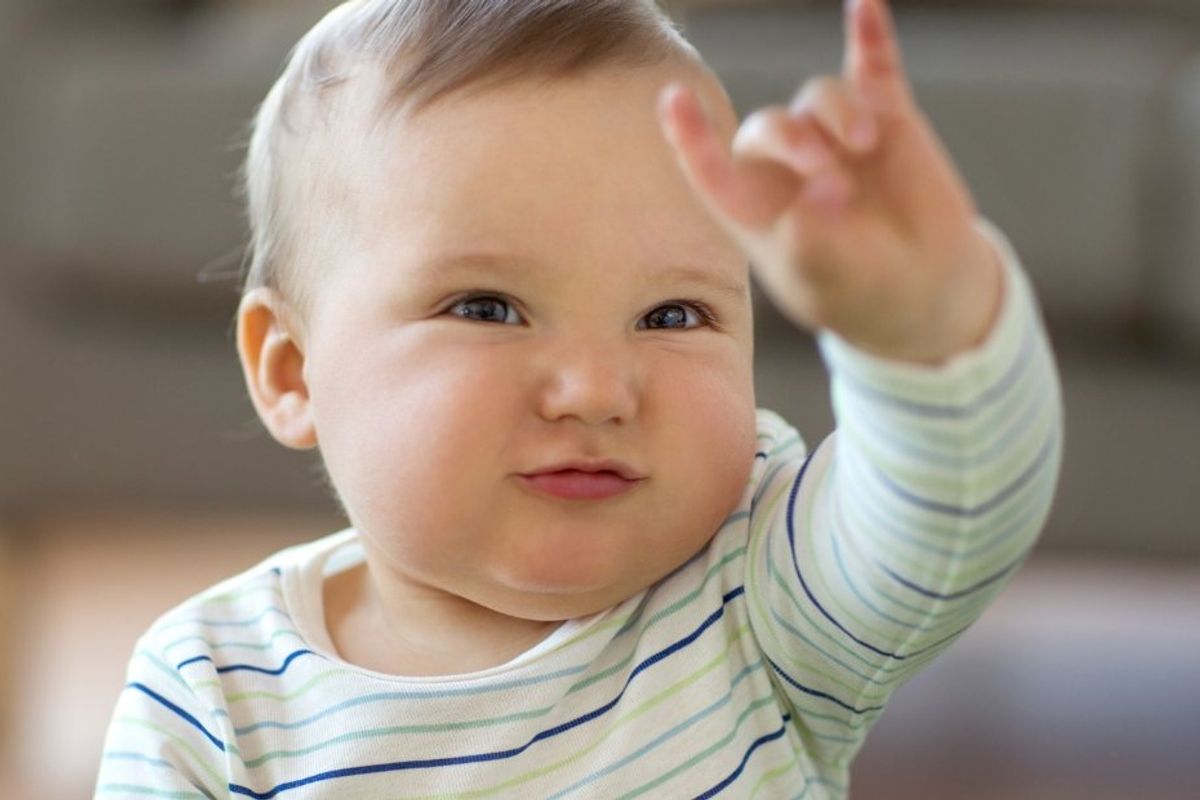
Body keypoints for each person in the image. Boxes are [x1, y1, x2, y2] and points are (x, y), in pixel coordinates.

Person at [96, 0, 1062, 796]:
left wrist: (928, 322)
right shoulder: (214, 693)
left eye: (673, 315)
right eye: (489, 307)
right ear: (293, 370)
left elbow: (949, 517)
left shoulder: (752, 586)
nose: (599, 390)